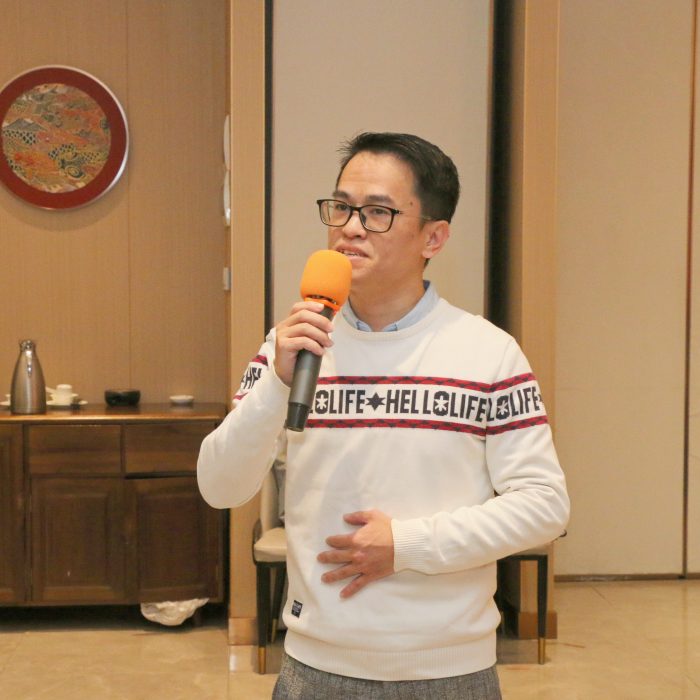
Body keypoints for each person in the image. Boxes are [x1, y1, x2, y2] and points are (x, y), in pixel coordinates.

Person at [197, 132, 569, 699]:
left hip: (450, 669)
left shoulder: (488, 352)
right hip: (314, 666)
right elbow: (219, 486)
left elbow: (544, 506)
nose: (350, 227)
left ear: (433, 237)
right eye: (341, 207)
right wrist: (275, 383)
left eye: (377, 212)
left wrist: (408, 545)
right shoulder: (291, 347)